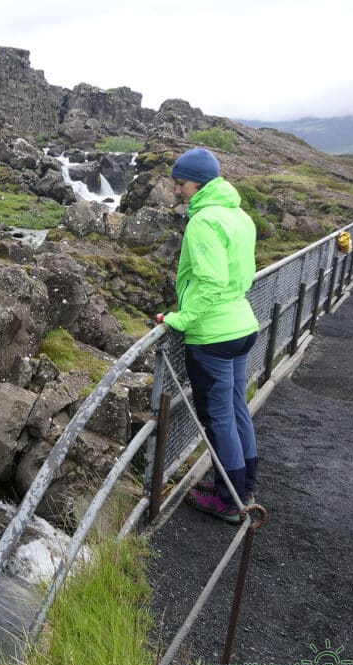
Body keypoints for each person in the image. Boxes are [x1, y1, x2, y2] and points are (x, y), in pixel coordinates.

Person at [157, 148, 260, 523]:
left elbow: (211, 281)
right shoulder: (239, 216)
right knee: (236, 410)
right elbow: (241, 276)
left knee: (218, 418)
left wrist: (182, 319)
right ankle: (245, 486)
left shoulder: (202, 222)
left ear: (197, 182)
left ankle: (229, 501)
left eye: (180, 183)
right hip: (241, 325)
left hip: (213, 334)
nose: (177, 190)